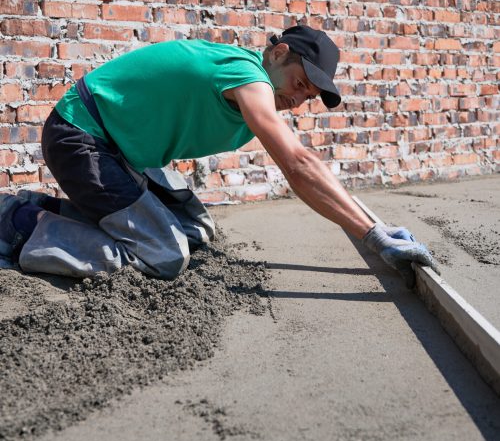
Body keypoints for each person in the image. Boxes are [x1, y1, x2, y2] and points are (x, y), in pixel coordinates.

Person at [0, 25, 436, 286]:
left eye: (312, 95)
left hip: (120, 147)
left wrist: (376, 225)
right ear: (280, 53)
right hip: (83, 137)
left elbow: (310, 168)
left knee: (195, 228)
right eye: (302, 83)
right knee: (164, 255)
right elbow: (298, 165)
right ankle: (17, 225)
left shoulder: (253, 80)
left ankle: (41, 209)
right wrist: (372, 236)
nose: (301, 99)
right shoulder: (247, 76)